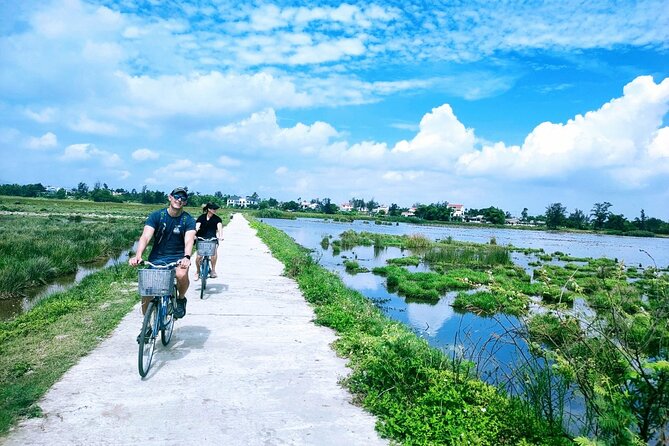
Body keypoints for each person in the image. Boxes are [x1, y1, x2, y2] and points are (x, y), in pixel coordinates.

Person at [129, 187, 196, 322]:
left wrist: (187, 257)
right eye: (176, 196)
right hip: (157, 258)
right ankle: (146, 325)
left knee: (181, 274)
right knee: (148, 290)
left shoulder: (188, 220)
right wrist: (138, 255)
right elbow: (146, 237)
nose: (179, 200)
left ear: (185, 203)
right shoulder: (157, 216)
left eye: (183, 198)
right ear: (169, 197)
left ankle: (181, 299)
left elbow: (189, 239)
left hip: (178, 258)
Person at [195, 202, 223, 280]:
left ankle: (213, 270)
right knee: (199, 256)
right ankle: (197, 271)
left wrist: (221, 236)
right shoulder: (201, 217)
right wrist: (194, 233)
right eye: (213, 209)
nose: (215, 210)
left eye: (215, 209)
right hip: (201, 238)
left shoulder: (217, 219)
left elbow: (220, 228)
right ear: (209, 209)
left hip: (212, 239)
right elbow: (197, 227)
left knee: (213, 253)